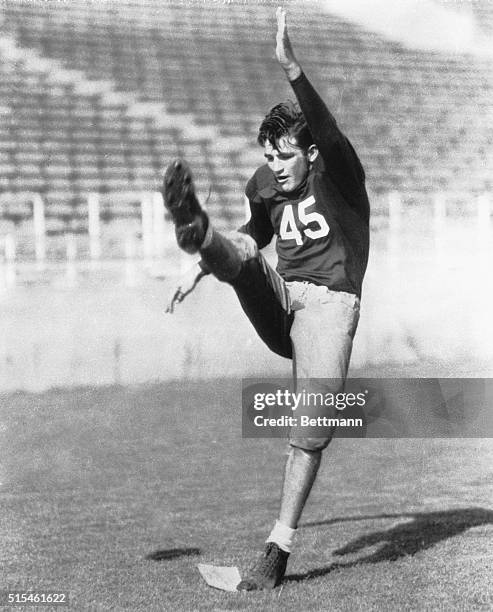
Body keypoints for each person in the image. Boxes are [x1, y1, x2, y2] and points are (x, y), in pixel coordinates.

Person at [161, 7, 370, 591]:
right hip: (284, 298)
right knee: (245, 258)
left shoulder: (339, 176)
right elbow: (255, 235)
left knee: (309, 430)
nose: (275, 164)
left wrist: (293, 68)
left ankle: (277, 550)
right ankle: (198, 232)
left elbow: (327, 128)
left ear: (310, 153)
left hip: (330, 306)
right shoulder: (265, 185)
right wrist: (201, 265)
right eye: (269, 154)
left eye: (285, 153)